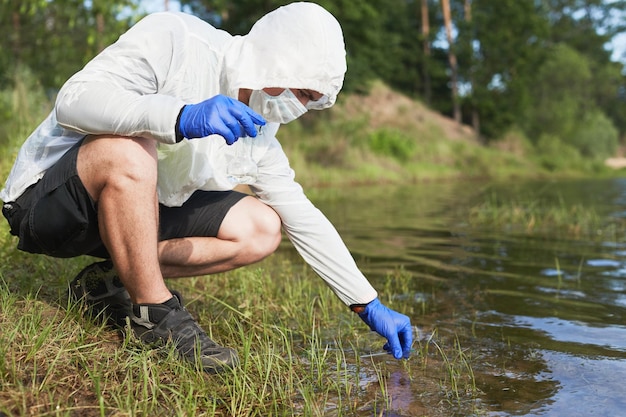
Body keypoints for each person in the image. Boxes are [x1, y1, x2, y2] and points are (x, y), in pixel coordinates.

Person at [0, 2, 412, 373]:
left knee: (262, 227)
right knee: (131, 147)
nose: (300, 108)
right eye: (303, 93)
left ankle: (109, 283)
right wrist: (179, 115)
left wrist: (365, 301)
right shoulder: (177, 39)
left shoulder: (259, 130)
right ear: (277, 63)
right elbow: (73, 101)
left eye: (312, 101)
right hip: (47, 202)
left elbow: (300, 214)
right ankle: (154, 315)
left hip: (125, 216)